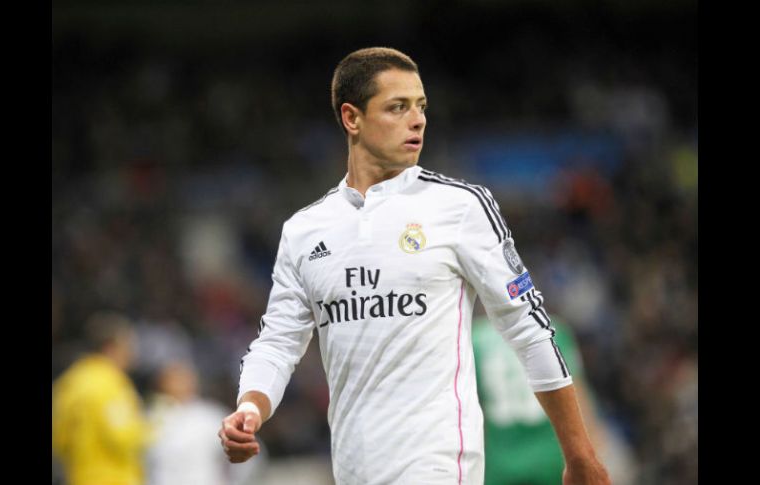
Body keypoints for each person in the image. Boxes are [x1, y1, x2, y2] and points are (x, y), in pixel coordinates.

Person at [219, 47, 611, 484]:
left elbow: (528, 327)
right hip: (352, 467)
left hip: (438, 463)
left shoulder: (460, 207)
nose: (418, 119)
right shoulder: (305, 231)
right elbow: (277, 342)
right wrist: (250, 408)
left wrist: (579, 455)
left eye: (421, 106)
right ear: (352, 118)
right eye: (397, 107)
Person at [473, 314, 633, 485]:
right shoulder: (552, 329)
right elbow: (577, 396)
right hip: (551, 459)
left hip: (501, 464)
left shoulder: (475, 338)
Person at [52, 311, 149, 485]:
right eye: (129, 345)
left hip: (77, 477)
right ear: (112, 347)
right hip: (114, 478)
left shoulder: (69, 381)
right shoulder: (111, 383)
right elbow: (123, 437)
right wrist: (152, 426)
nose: (133, 353)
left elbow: (58, 438)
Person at [145, 360, 267, 485]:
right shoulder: (150, 417)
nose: (178, 384)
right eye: (171, 379)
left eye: (183, 379)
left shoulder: (210, 416)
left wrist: (232, 481)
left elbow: (249, 453)